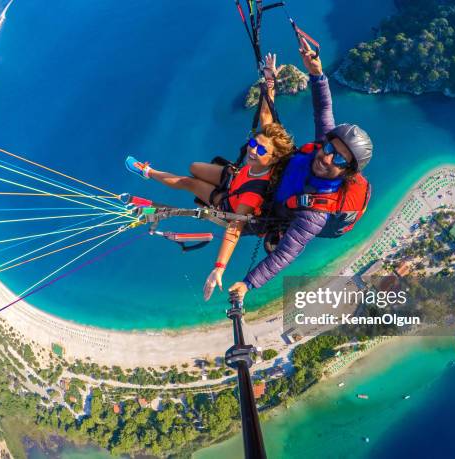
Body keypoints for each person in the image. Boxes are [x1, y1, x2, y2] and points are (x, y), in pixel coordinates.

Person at [125, 54, 295, 300]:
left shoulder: (253, 193)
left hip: (230, 203)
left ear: (274, 158)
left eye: (259, 150)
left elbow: (234, 230)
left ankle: (146, 171)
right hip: (237, 179)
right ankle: (153, 173)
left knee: (190, 182)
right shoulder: (262, 157)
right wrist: (269, 81)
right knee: (194, 166)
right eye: (252, 143)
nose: (252, 149)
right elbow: (267, 115)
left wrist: (218, 268)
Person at [228, 39, 373, 301]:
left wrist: (248, 284)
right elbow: (324, 110)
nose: (327, 158)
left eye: (339, 161)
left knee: (232, 217)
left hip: (285, 204)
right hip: (287, 180)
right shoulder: (323, 145)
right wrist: (316, 73)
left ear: (348, 173)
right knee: (268, 131)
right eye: (329, 149)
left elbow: (285, 254)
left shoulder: (314, 214)